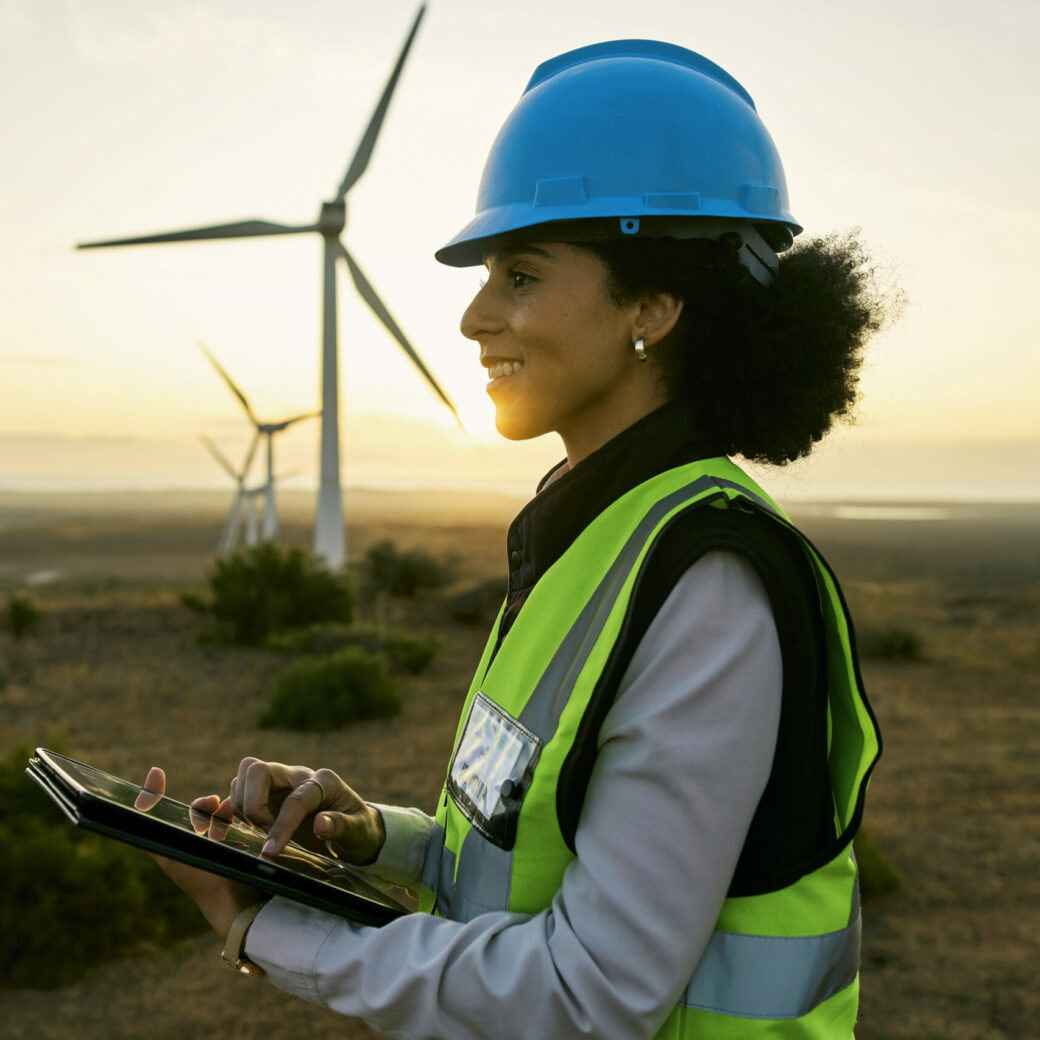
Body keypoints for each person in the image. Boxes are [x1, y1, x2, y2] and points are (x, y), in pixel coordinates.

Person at [147, 40, 888, 1038]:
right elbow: (531, 854)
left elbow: (590, 992)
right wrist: (375, 840)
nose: (471, 315)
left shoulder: (706, 580)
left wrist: (273, 929)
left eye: (520, 274)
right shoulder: (597, 530)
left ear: (651, 306)